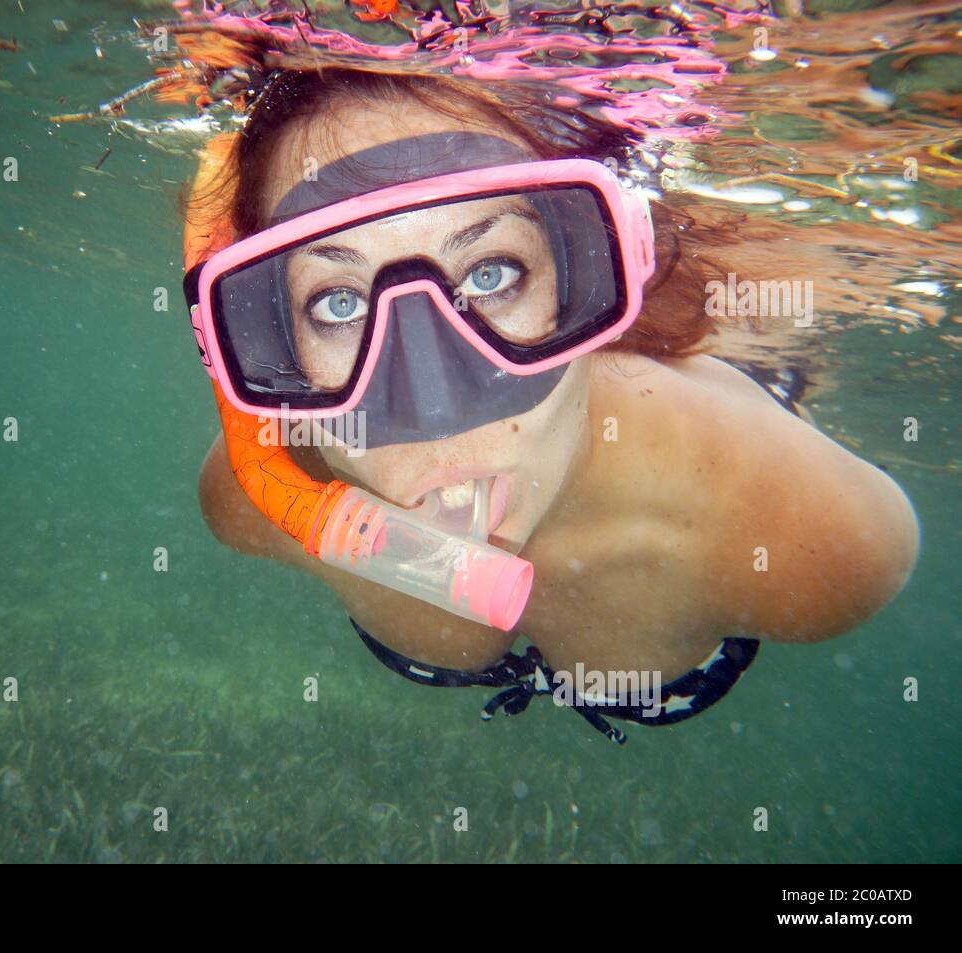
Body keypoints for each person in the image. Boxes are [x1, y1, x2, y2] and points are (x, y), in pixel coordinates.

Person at [183, 68, 919, 742]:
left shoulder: (822, 540)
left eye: (493, 271)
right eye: (337, 303)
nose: (436, 401)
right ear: (270, 338)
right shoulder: (254, 495)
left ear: (585, 277)